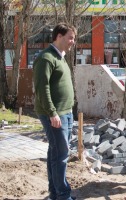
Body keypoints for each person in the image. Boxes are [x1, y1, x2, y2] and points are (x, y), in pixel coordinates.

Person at [33, 23, 77, 200]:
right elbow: (42, 88)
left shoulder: (61, 57)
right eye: (70, 38)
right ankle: (63, 195)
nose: (73, 42)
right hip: (54, 114)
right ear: (59, 36)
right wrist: (52, 113)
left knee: (56, 152)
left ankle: (54, 192)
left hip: (65, 112)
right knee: (62, 154)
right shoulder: (46, 58)